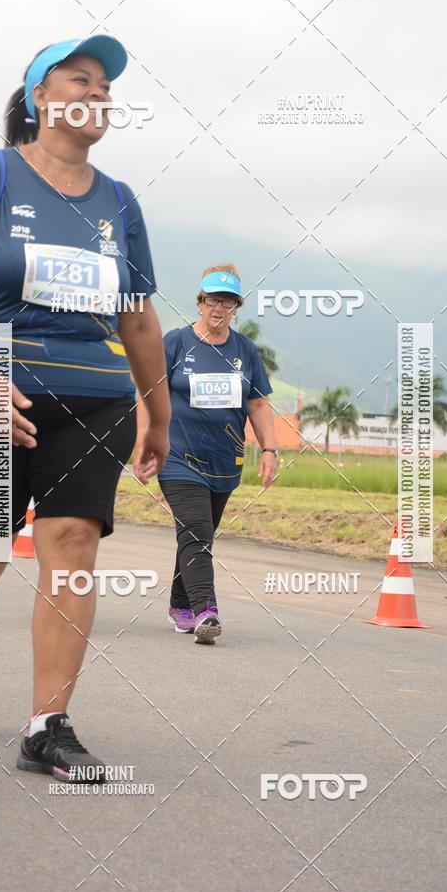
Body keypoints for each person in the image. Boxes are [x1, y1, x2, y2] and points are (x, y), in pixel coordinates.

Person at [0, 35, 170, 779]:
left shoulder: (119, 202)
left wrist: (158, 414)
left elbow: (138, 319)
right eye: (80, 81)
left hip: (93, 403)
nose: (97, 95)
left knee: (71, 542)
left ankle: (47, 726)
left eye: (104, 87)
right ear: (39, 97)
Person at [152, 264, 277, 643]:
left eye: (226, 301)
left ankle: (180, 605)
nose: (218, 308)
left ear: (236, 306)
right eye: (211, 300)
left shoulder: (245, 351)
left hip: (225, 461)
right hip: (177, 457)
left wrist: (269, 449)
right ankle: (207, 611)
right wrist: (146, 440)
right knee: (198, 531)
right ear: (200, 301)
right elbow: (149, 393)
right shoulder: (175, 343)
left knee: (196, 535)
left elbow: (257, 404)